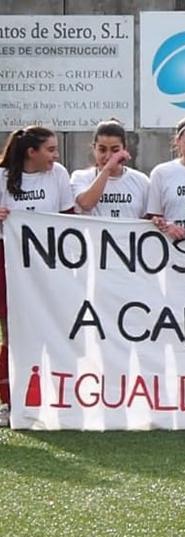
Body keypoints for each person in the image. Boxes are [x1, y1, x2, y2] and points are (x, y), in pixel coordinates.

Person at [0, 126, 75, 428]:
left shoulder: (58, 175)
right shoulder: (3, 177)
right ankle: (9, 401)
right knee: (12, 331)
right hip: (8, 260)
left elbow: (68, 217)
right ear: (31, 152)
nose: (55, 156)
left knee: (49, 327)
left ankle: (50, 395)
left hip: (48, 261)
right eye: (50, 150)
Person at [70, 119, 150, 219]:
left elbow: (149, 217)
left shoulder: (141, 181)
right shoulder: (81, 177)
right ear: (94, 149)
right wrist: (107, 170)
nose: (108, 156)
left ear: (124, 149)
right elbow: (86, 204)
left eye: (115, 150)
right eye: (102, 150)